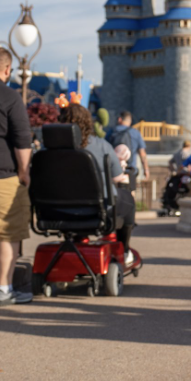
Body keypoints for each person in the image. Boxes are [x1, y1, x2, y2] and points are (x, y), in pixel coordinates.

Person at [60, 103, 137, 266]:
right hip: (96, 208)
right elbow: (117, 178)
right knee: (128, 201)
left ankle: (79, 238)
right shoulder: (101, 145)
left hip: (57, 209)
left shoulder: (48, 148)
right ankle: (124, 248)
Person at [0, 47, 33, 306]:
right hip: (4, 179)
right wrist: (24, 172)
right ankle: (3, 289)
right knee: (7, 235)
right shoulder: (10, 98)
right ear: (7, 69)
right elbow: (22, 141)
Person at [109, 111, 150, 184]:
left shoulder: (112, 131)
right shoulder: (136, 133)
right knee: (130, 193)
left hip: (115, 170)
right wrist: (146, 169)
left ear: (119, 119)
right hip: (130, 170)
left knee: (115, 193)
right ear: (130, 121)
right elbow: (142, 153)